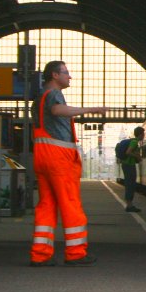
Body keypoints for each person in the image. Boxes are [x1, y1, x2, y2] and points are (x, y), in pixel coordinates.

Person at [29, 61, 107, 267]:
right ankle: (75, 252)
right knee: (70, 203)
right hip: (59, 157)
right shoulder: (54, 95)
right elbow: (57, 110)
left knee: (46, 205)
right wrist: (91, 109)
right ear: (55, 75)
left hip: (41, 156)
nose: (69, 77)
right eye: (66, 73)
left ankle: (40, 254)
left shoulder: (38, 99)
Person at [120, 127, 144, 212]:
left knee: (129, 184)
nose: (143, 136)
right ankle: (129, 206)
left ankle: (129, 205)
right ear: (140, 134)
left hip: (127, 165)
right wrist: (138, 157)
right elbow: (128, 152)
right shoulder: (134, 142)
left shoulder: (133, 141)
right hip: (129, 165)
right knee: (130, 185)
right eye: (143, 134)